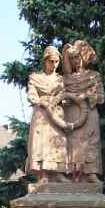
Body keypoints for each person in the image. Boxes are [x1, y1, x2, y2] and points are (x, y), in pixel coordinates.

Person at [26, 46, 71, 183]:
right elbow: (31, 95)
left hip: (57, 112)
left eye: (57, 61)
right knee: (43, 143)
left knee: (59, 141)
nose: (54, 64)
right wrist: (41, 102)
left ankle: (59, 173)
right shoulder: (36, 77)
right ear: (45, 61)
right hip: (42, 114)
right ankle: (44, 174)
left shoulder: (60, 79)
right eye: (51, 61)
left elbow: (65, 97)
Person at [62, 40, 105, 183]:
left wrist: (87, 96)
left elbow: (101, 97)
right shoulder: (66, 79)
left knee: (92, 141)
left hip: (90, 113)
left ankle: (91, 173)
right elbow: (61, 97)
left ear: (83, 57)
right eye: (72, 58)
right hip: (72, 113)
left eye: (77, 57)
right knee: (74, 143)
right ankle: (73, 175)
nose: (76, 61)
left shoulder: (94, 76)